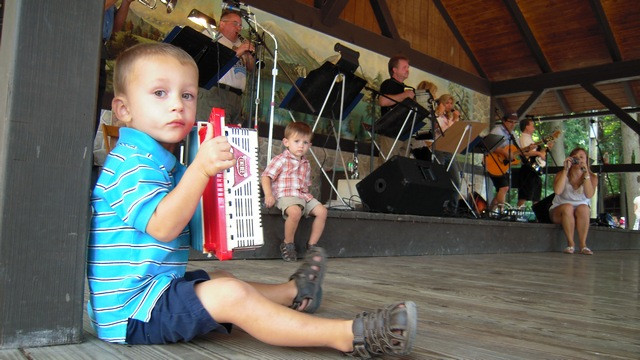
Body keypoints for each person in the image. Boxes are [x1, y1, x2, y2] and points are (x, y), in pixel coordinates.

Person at [87, 43, 416, 357]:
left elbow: (192, 226)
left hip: (152, 293)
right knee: (229, 294)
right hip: (132, 314)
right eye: (160, 93)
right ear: (123, 109)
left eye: (187, 95)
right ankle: (346, 336)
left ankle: (293, 293)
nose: (177, 104)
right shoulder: (131, 164)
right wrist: (200, 171)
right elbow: (162, 226)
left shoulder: (158, 159)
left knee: (222, 282)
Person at [261, 122, 328, 262]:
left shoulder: (306, 164)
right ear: (286, 142)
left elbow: (305, 186)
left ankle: (311, 246)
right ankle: (288, 244)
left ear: (309, 145)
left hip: (302, 196)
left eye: (305, 142)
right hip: (286, 195)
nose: (301, 146)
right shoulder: (281, 160)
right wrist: (268, 195)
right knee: (295, 212)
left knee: (322, 211)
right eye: (296, 141)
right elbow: (266, 176)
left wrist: (308, 202)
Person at [196, 9, 255, 126]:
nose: (238, 28)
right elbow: (214, 62)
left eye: (240, 26)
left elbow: (251, 68)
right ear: (222, 23)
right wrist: (239, 51)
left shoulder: (240, 43)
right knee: (210, 132)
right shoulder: (212, 36)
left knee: (230, 137)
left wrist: (249, 55)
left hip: (236, 97)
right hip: (215, 93)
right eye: (235, 24)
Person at [549, 147, 598, 255]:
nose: (578, 160)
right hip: (560, 210)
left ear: (586, 161)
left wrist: (585, 173)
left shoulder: (592, 177)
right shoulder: (561, 174)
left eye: (581, 157)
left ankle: (583, 245)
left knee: (584, 208)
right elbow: (557, 191)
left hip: (580, 212)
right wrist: (566, 170)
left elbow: (589, 195)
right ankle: (571, 244)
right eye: (575, 157)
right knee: (568, 207)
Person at [487, 113, 519, 212]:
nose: (513, 124)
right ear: (504, 121)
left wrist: (530, 149)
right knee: (504, 187)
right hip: (493, 162)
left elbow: (517, 150)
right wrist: (504, 152)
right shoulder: (497, 130)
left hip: (504, 165)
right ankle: (502, 212)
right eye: (510, 122)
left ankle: (490, 211)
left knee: (502, 189)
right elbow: (490, 145)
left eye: (515, 122)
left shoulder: (513, 135)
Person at [516, 118, 548, 208]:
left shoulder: (529, 138)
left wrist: (547, 148)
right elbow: (524, 153)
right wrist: (538, 153)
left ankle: (538, 216)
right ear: (526, 126)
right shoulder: (523, 138)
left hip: (534, 168)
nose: (534, 128)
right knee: (524, 195)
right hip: (527, 168)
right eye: (532, 125)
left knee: (536, 196)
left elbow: (538, 155)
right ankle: (519, 214)